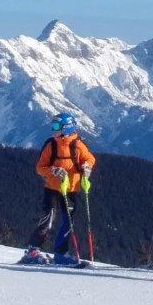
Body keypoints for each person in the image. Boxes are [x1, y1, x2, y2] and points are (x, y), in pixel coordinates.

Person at [21, 112, 95, 265]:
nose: (53, 129)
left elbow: (90, 158)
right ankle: (33, 250)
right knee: (47, 219)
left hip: (71, 189)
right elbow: (40, 168)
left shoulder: (78, 144)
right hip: (52, 188)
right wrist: (53, 171)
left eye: (56, 126)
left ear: (67, 128)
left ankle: (61, 252)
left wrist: (87, 167)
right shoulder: (51, 145)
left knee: (68, 222)